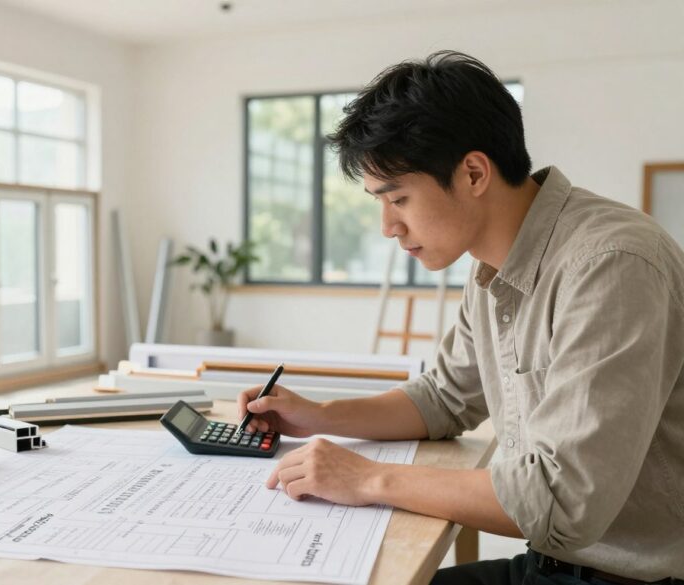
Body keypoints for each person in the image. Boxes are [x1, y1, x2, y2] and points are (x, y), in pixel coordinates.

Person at [237, 51, 684, 585]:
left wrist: (368, 479)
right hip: (553, 565)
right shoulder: (494, 266)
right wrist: (317, 416)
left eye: (398, 198)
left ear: (473, 173)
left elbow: (562, 499)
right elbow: (443, 399)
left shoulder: (611, 264)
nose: (387, 227)